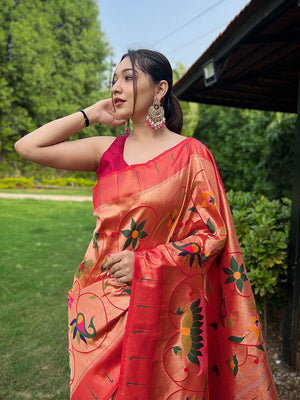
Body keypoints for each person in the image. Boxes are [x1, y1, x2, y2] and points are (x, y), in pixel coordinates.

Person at [15, 49, 278, 400]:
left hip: (165, 312)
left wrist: (145, 264)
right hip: (98, 307)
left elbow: (212, 234)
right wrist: (90, 114)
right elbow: (27, 146)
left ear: (160, 89)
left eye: (129, 77)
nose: (116, 87)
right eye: (114, 79)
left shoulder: (191, 155)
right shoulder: (105, 150)